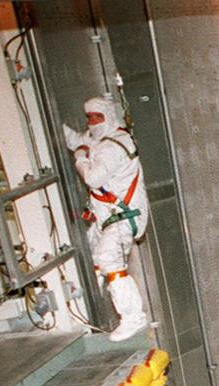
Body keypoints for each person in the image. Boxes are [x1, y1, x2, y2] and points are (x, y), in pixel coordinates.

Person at [62, 96, 150, 341]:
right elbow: (76, 140)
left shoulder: (115, 145)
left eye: (97, 117)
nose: (92, 122)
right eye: (89, 117)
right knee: (92, 254)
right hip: (108, 217)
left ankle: (134, 317)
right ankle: (90, 298)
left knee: (108, 257)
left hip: (124, 216)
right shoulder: (98, 138)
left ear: (109, 117)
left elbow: (92, 178)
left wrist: (81, 158)